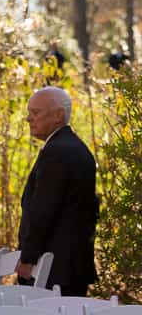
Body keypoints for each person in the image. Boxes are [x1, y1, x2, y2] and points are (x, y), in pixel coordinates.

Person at [17, 87, 99, 296]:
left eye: (35, 113)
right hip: (66, 265)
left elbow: (43, 210)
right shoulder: (70, 146)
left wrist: (28, 258)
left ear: (58, 116)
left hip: (55, 269)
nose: (28, 119)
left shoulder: (58, 151)